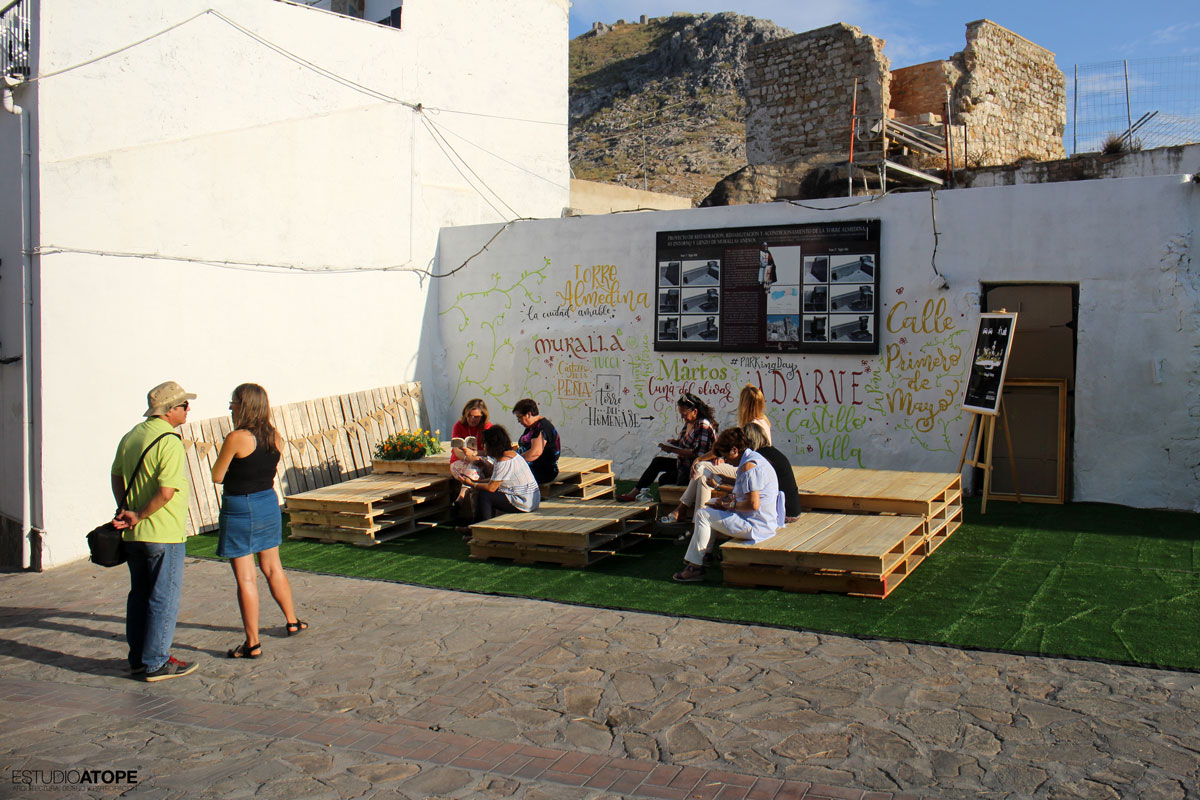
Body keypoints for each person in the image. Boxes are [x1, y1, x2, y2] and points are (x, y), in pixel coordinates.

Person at [211, 383, 307, 659]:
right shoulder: (275, 436)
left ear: (244, 405)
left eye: (233, 402)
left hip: (240, 505)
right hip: (267, 502)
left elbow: (217, 476)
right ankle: (292, 620)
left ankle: (252, 643)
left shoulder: (236, 437)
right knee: (273, 567)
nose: (230, 407)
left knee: (246, 577)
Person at [111, 381, 198, 682]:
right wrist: (139, 513)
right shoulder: (169, 441)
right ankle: (156, 661)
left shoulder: (132, 435)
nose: (188, 409)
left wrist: (126, 508)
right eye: (184, 405)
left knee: (139, 596)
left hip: (135, 535)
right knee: (164, 597)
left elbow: (116, 475)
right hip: (163, 532)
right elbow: (166, 491)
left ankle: (139, 658)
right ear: (170, 410)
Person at [673, 427, 783, 583]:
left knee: (703, 514)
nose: (726, 461)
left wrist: (729, 505)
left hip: (756, 525)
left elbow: (753, 504)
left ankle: (695, 566)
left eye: (726, 456)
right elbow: (745, 487)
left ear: (734, 450)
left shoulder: (749, 467)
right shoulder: (753, 458)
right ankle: (702, 556)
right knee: (709, 507)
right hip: (761, 520)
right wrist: (724, 481)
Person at [660, 384, 772, 525]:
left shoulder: (750, 427)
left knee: (701, 467)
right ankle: (697, 523)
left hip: (746, 471)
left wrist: (703, 458)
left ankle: (683, 510)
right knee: (703, 478)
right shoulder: (763, 421)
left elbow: (738, 453)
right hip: (750, 469)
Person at [616, 392, 717, 502]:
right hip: (683, 464)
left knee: (664, 479)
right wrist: (675, 443)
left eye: (684, 415)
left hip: (694, 468)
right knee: (658, 462)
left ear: (695, 411)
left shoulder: (702, 425)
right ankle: (635, 492)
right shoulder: (689, 422)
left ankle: (664, 504)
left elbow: (697, 453)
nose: (683, 418)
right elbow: (685, 444)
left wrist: (672, 450)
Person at [460, 425, 541, 526]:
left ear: (492, 444)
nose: (483, 446)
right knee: (487, 493)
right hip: (532, 499)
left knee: (485, 495)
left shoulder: (503, 461)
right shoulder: (513, 454)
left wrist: (472, 484)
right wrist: (475, 481)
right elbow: (495, 480)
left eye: (484, 443)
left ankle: (481, 528)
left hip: (523, 502)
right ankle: (475, 527)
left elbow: (491, 487)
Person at [742, 422, 802, 523]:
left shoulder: (759, 458)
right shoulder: (772, 452)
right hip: (793, 508)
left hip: (784, 512)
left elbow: (752, 488)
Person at [513, 398, 560, 485]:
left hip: (543, 471)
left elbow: (535, 453)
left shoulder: (542, 428)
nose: (518, 421)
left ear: (529, 414)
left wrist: (514, 461)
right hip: (533, 467)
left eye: (519, 417)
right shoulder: (532, 427)